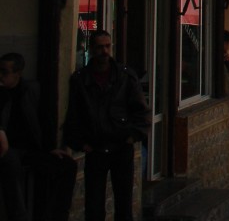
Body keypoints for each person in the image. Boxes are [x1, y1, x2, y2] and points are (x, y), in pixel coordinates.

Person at [63, 30, 150, 221]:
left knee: (123, 203)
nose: (104, 51)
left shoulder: (125, 76)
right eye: (100, 47)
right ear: (92, 49)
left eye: (108, 46)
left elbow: (141, 109)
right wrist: (79, 142)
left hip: (121, 146)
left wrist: (133, 135)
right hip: (96, 147)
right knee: (93, 205)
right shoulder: (81, 79)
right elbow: (74, 114)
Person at [0, 52, 77, 221]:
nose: (1, 76)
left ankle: (56, 214)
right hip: (8, 149)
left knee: (66, 165)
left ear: (18, 73)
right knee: (11, 164)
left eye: (5, 72)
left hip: (29, 148)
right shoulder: (2, 95)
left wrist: (50, 147)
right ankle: (19, 216)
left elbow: (43, 118)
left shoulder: (30, 91)